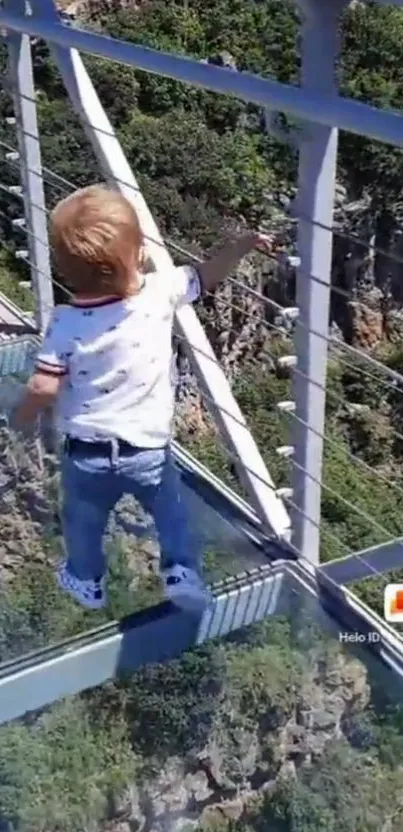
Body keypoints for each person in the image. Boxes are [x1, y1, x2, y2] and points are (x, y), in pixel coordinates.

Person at [14, 185, 273, 612]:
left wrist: (20, 418)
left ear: (64, 270)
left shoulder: (64, 323)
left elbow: (44, 386)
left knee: (83, 521)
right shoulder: (159, 292)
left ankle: (86, 581)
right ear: (137, 257)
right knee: (170, 512)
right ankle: (180, 571)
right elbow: (207, 274)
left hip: (86, 454)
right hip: (148, 449)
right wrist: (242, 245)